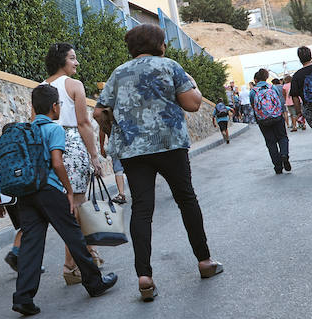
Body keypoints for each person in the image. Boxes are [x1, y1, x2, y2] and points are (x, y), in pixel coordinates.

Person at [94, 24, 222, 303]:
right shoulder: (170, 66)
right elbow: (193, 104)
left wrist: (116, 129)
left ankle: (144, 276)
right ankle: (204, 261)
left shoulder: (118, 73)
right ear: (160, 45)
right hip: (169, 145)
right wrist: (194, 84)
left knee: (142, 208)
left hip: (133, 150)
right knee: (186, 200)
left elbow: (99, 112)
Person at [11, 85, 118, 316]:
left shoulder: (28, 130)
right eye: (59, 104)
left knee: (31, 243)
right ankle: (94, 283)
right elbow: (57, 163)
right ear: (54, 107)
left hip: (26, 193)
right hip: (49, 190)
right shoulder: (54, 129)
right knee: (73, 234)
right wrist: (69, 191)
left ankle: (23, 297)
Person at [42, 43, 106, 286]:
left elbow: (34, 122)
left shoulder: (41, 88)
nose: (76, 63)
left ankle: (88, 253)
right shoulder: (74, 85)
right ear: (62, 61)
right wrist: (94, 155)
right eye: (72, 58)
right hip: (71, 145)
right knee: (77, 204)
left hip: (50, 148)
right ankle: (72, 265)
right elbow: (84, 124)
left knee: (69, 206)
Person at [251, 69, 290, 174]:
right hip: (277, 117)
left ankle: (278, 167)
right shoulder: (272, 87)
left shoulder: (253, 91)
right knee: (282, 137)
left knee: (270, 142)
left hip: (263, 120)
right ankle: (284, 154)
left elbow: (253, 106)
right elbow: (278, 101)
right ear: (266, 77)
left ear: (256, 79)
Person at [98, 126, 127, 203]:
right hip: (128, 142)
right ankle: (123, 193)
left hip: (116, 143)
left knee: (118, 168)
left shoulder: (108, 115)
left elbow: (102, 129)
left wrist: (101, 148)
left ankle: (121, 194)